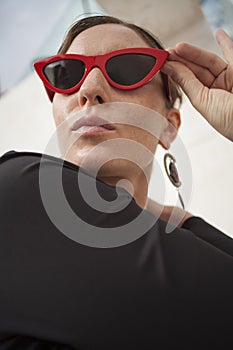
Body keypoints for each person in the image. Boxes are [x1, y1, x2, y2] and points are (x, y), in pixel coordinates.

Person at [0, 15, 232, 349]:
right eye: (66, 74)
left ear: (169, 125)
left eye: (128, 69)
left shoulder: (192, 240)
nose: (89, 90)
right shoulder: (19, 191)